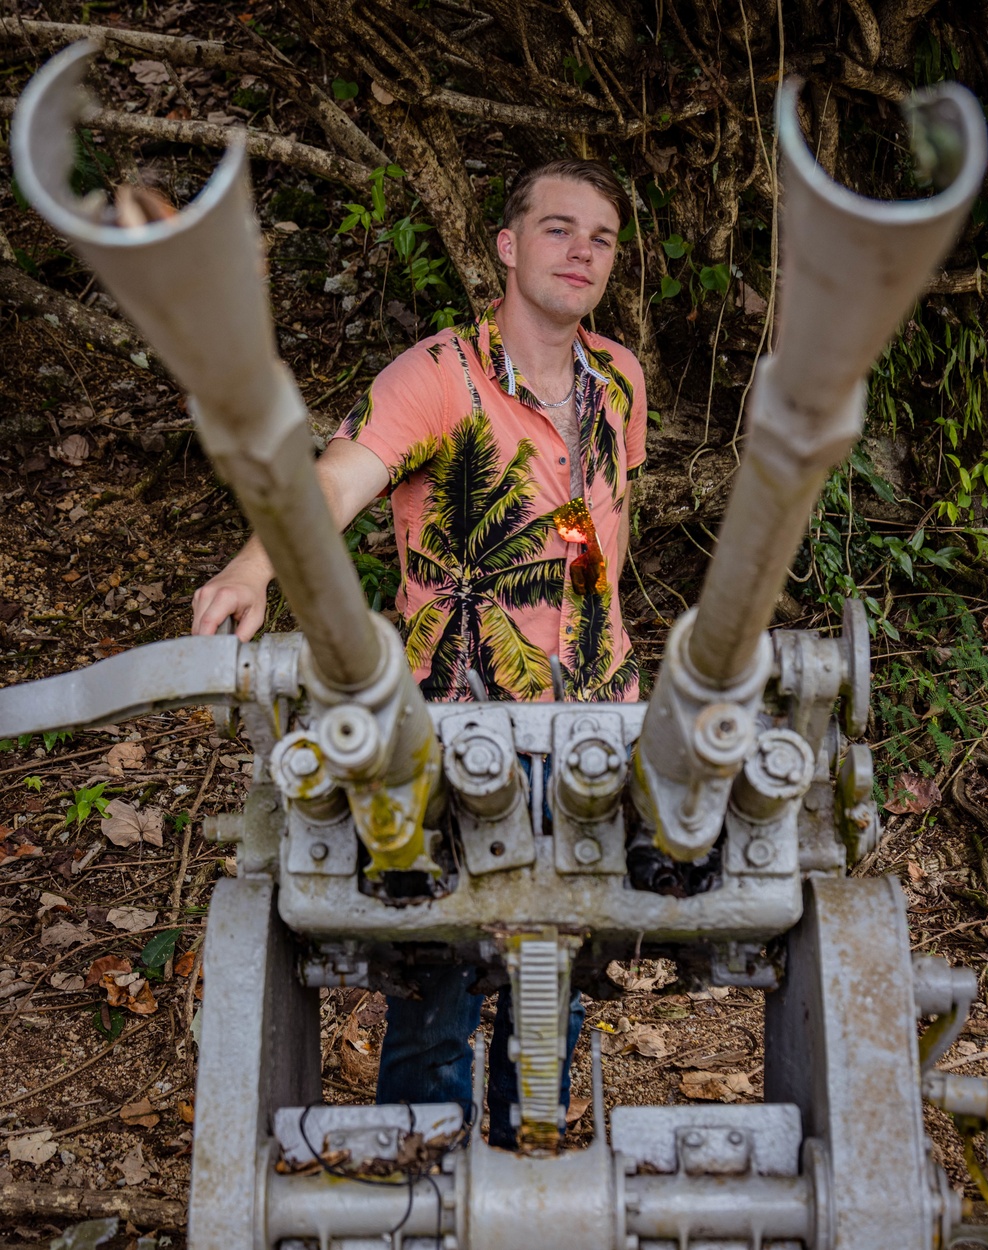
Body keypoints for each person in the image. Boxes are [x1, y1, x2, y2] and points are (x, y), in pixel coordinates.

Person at [192, 158, 648, 1145]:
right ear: (507, 243)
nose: (581, 252)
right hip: (460, 725)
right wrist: (250, 570)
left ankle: (529, 1181)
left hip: (597, 722)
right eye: (559, 228)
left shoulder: (619, 378)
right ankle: (421, 1194)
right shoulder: (440, 373)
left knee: (556, 981)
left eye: (601, 238)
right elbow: (331, 485)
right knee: (440, 985)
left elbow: (603, 527)